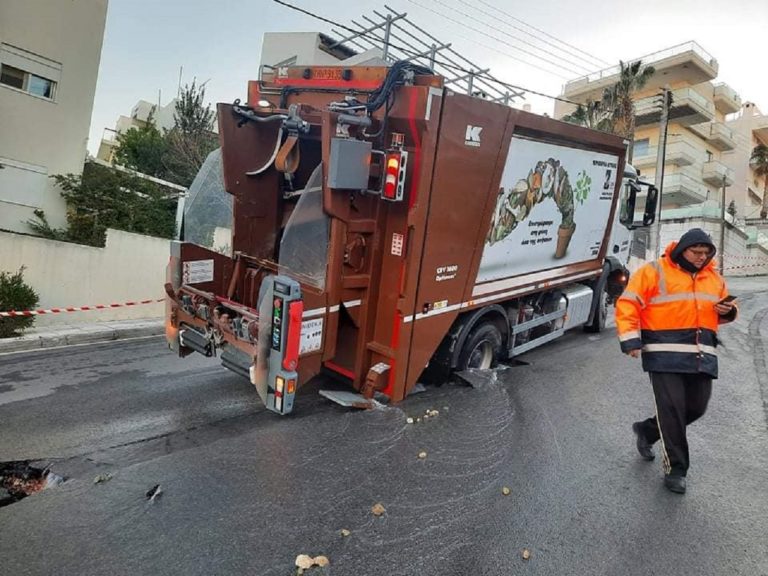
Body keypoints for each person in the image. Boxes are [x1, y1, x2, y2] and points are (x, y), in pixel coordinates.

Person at [615, 228, 737, 494]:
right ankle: (676, 469)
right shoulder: (654, 271)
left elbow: (719, 315)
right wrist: (630, 340)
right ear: (682, 249)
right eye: (696, 252)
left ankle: (647, 431)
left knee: (696, 408)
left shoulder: (714, 278)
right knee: (672, 410)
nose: (701, 258)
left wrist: (728, 311)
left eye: (706, 254)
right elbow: (628, 303)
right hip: (662, 354)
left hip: (701, 355)